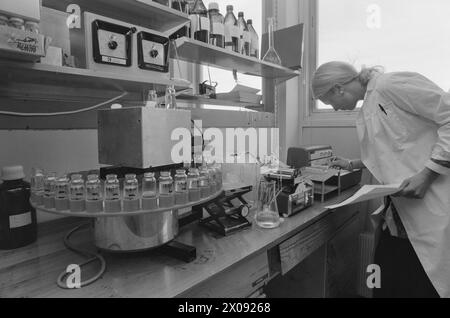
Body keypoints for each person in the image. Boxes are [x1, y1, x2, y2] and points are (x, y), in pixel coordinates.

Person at [311, 61, 450, 298]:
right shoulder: (369, 107)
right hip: (398, 212)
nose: (334, 109)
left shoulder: (391, 86)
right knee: (385, 280)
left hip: (430, 206)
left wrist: (427, 174)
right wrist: (353, 163)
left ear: (338, 89)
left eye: (328, 101)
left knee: (421, 285)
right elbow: (392, 150)